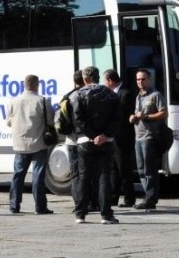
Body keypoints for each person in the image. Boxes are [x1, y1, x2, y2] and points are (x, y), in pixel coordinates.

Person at [72, 66, 120, 224]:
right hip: (106, 141)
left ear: (85, 79)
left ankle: (80, 213)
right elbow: (117, 119)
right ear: (99, 77)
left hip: (85, 141)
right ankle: (106, 214)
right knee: (104, 176)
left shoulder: (78, 94)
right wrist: (104, 135)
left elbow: (79, 119)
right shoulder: (111, 94)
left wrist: (92, 136)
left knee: (84, 177)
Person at [6, 74, 55, 214]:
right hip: (38, 143)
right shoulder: (42, 101)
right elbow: (50, 122)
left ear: (24, 84)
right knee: (38, 175)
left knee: (18, 175)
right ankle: (40, 207)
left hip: (20, 144)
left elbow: (9, 122)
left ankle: (14, 206)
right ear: (37, 84)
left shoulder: (13, 101)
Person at [129, 68, 168, 211]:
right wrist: (133, 117)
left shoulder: (155, 95)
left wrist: (145, 117)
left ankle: (151, 199)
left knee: (149, 170)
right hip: (138, 136)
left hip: (149, 137)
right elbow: (138, 113)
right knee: (140, 169)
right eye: (138, 79)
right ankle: (147, 196)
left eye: (143, 79)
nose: (140, 82)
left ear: (149, 79)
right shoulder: (138, 96)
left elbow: (164, 113)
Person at [103, 69, 136, 208]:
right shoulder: (113, 93)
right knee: (113, 169)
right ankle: (113, 197)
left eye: (105, 81)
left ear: (110, 80)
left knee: (124, 168)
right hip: (113, 137)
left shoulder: (125, 93)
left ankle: (129, 198)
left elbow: (123, 117)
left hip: (122, 137)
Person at [57, 70, 84, 206]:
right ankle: (90, 201)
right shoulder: (86, 95)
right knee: (87, 172)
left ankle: (78, 202)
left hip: (71, 139)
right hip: (84, 138)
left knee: (75, 173)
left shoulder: (67, 96)